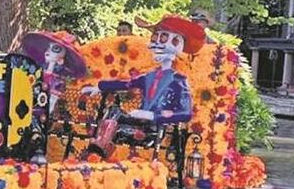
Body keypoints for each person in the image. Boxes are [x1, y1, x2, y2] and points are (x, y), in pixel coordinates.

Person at [81, 14, 206, 154]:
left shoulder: (178, 81)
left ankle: (102, 146)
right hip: (137, 122)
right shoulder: (150, 76)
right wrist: (99, 87)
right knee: (113, 111)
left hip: (153, 130)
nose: (157, 43)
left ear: (177, 42)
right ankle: (101, 144)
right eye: (155, 37)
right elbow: (127, 84)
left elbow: (185, 113)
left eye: (163, 38)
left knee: (118, 130)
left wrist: (152, 116)